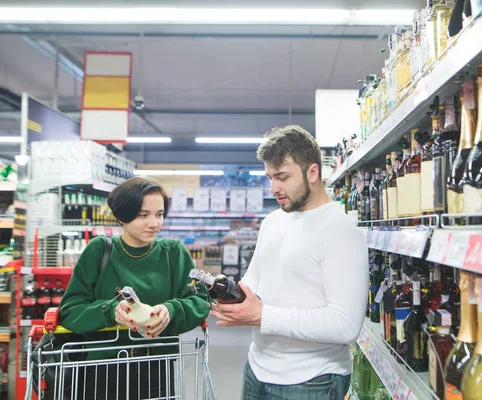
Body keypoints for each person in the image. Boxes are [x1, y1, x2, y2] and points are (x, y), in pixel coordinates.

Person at [211, 125, 369, 400]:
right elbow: (254, 280)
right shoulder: (273, 221)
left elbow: (346, 325)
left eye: (283, 177)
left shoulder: (339, 230)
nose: (274, 188)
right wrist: (230, 295)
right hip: (256, 370)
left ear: (313, 172)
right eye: (270, 177)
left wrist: (262, 315)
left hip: (311, 381)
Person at [59, 176, 211, 399]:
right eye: (143, 215)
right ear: (122, 215)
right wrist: (111, 311)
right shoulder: (99, 250)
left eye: (159, 214)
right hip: (104, 369)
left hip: (156, 369)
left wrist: (171, 310)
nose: (154, 223)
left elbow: (200, 300)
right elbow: (70, 310)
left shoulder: (173, 253)